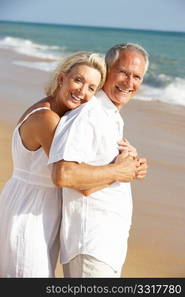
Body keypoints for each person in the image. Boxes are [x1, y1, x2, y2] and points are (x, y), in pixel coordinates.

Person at [0, 51, 107, 277]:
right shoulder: (47, 118)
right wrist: (121, 170)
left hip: (42, 211)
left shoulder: (62, 118)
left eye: (91, 88)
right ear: (61, 79)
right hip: (28, 211)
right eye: (78, 80)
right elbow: (80, 182)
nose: (82, 91)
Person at [48, 43, 149, 278]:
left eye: (137, 77)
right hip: (90, 245)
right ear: (107, 71)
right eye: (123, 72)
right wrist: (118, 171)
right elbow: (64, 174)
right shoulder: (88, 113)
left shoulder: (111, 116)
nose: (129, 82)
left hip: (107, 246)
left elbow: (106, 169)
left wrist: (131, 168)